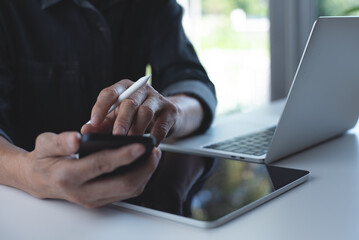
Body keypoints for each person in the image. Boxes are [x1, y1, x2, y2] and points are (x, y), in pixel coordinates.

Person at [0, 0, 217, 208]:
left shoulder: (152, 5)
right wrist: (26, 170)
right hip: (25, 207)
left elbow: (192, 82)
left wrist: (172, 112)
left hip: (131, 205)